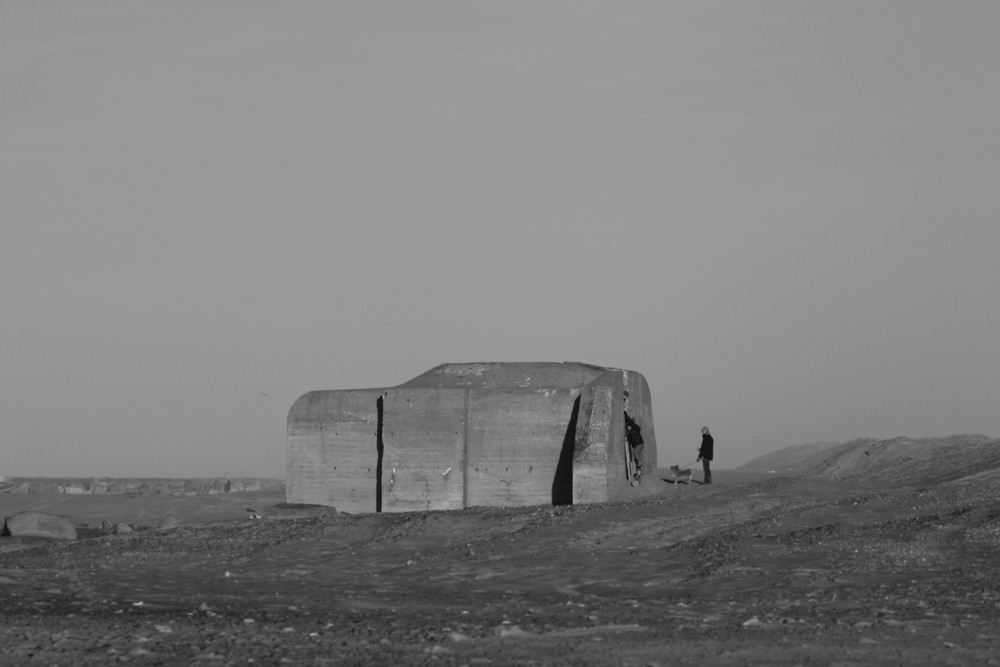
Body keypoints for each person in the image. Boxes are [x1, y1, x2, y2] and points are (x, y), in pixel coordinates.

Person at [624, 412, 645, 479]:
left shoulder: (635, 428)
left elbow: (631, 422)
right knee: (635, 457)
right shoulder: (629, 433)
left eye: (629, 426)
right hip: (637, 445)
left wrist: (627, 416)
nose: (628, 427)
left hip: (640, 444)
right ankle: (638, 471)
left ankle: (640, 462)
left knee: (635, 453)